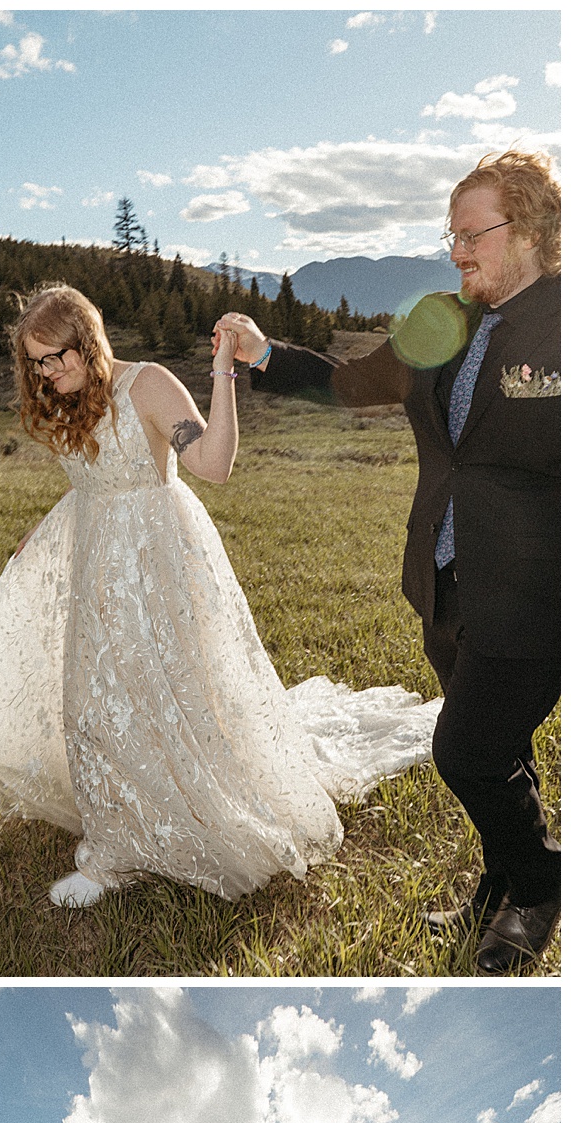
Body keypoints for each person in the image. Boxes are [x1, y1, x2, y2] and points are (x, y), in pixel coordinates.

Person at [0, 282, 439, 911]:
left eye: (58, 357)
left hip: (158, 560)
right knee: (93, 700)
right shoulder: (68, 398)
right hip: (97, 564)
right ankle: (117, 833)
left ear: (88, 340)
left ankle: (142, 839)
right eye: (37, 363)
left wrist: (222, 373)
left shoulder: (148, 385)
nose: (49, 373)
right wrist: (35, 535)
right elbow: (91, 483)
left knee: (170, 692)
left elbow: (211, 463)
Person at [225, 149, 560, 974]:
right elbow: (349, 382)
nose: (456, 252)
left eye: (471, 235)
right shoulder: (442, 319)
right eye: (451, 236)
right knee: (498, 745)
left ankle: (541, 886)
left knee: (466, 750)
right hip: (447, 581)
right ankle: (500, 880)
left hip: (537, 591)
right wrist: (267, 355)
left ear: (529, 229)